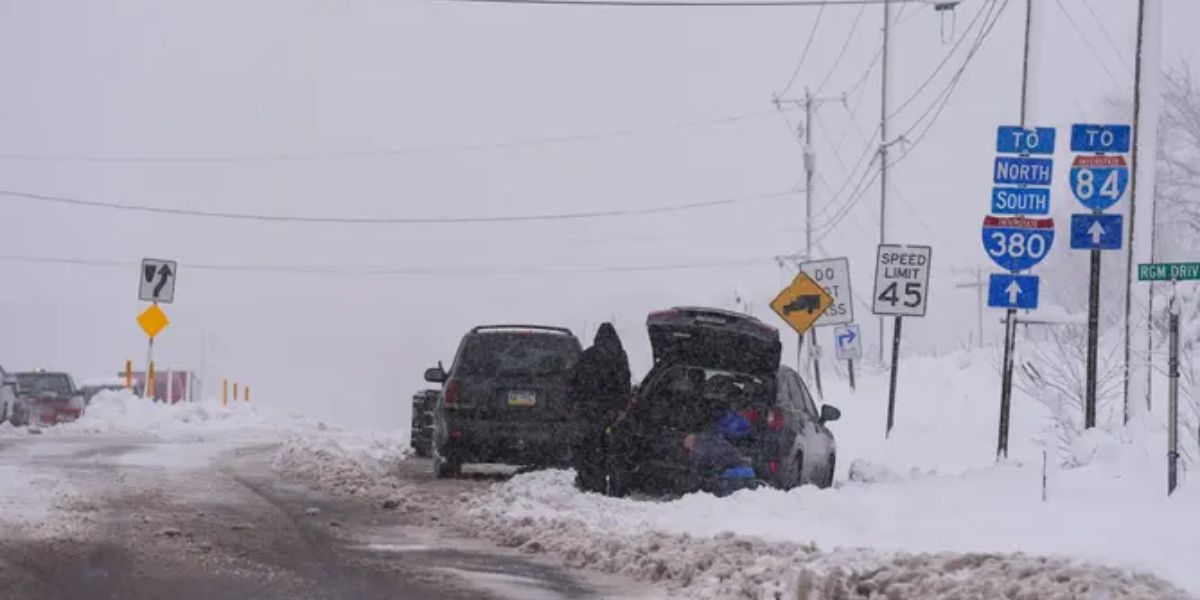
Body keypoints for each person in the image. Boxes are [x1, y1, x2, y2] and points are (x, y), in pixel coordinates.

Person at [567, 323, 631, 493]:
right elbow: (625, 384)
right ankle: (614, 485)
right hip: (610, 411)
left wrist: (576, 403)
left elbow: (573, 382)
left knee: (590, 447)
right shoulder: (620, 356)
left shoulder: (588, 355)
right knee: (611, 449)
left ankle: (591, 483)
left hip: (589, 410)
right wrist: (621, 409)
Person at [682, 433, 758, 497]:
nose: (689, 451)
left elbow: (699, 471)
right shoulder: (717, 441)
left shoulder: (698, 450)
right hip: (748, 473)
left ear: (691, 442)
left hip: (728, 480)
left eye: (688, 448)